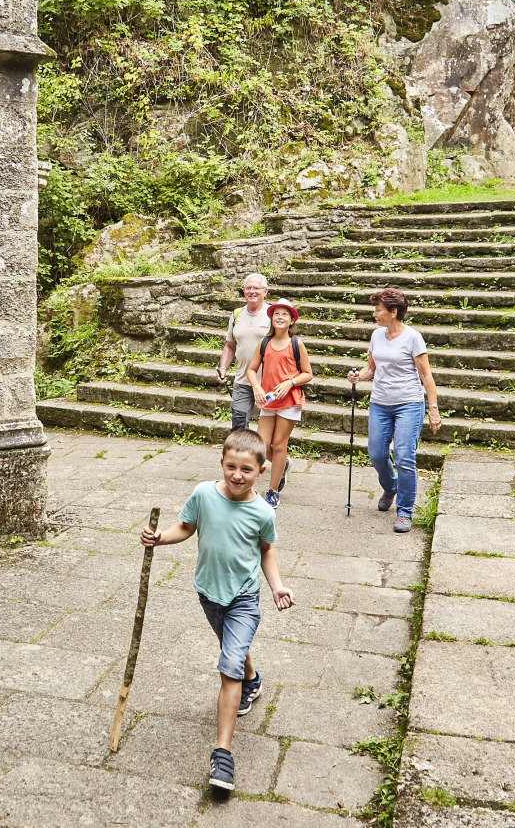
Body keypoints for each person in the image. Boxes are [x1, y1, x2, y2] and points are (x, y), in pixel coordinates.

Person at [140, 428, 296, 793]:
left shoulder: (261, 511)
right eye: (231, 467)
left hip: (244, 598)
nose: (237, 475)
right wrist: (159, 537)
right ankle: (253, 680)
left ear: (261, 471)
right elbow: (185, 527)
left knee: (228, 666)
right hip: (209, 594)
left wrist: (277, 586)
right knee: (234, 650)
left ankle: (222, 754)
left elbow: (267, 550)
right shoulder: (203, 495)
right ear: (222, 463)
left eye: (246, 469)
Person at [348, 287, 440, 533]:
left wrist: (433, 408)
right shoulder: (377, 336)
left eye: (378, 310)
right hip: (380, 402)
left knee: (403, 456)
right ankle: (391, 487)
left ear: (394, 311)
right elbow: (371, 369)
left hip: (409, 403)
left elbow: (426, 375)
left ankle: (404, 511)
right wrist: (359, 376)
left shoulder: (413, 338)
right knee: (377, 453)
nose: (375, 314)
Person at [246, 301, 313, 509]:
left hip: (290, 399)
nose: (280, 317)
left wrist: (290, 382)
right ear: (272, 319)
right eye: (276, 314)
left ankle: (273, 490)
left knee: (279, 444)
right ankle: (282, 464)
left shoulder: (296, 344)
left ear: (292, 320)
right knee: (262, 445)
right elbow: (251, 369)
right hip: (268, 400)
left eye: (285, 314)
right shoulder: (264, 342)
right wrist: (256, 386)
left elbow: (308, 374)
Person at [218, 273, 274, 432]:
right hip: (242, 380)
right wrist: (223, 369)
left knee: (269, 431)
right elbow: (230, 346)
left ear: (265, 291)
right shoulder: (237, 315)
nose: (252, 291)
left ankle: (280, 458)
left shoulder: (273, 314)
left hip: (269, 382)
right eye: (248, 288)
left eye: (256, 288)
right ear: (243, 291)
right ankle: (244, 457)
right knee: (238, 425)